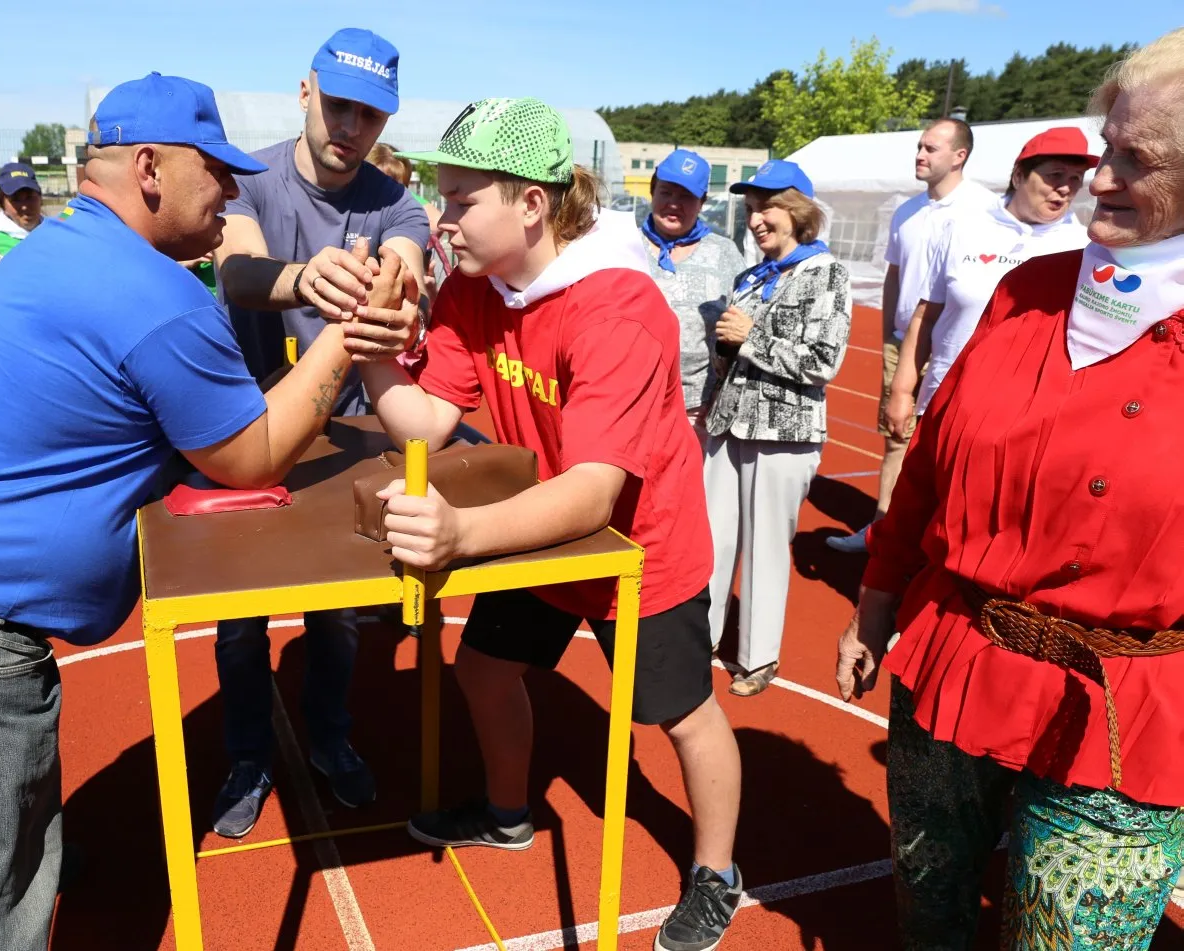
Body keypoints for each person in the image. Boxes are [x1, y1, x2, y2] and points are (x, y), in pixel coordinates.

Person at [0, 72, 419, 951]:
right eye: (213, 170)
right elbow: (250, 451)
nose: (231, 187)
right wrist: (345, 336)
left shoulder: (68, 247)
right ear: (149, 168)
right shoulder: (152, 292)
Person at [835, 28, 1184, 948]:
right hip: (954, 666)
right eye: (1104, 147)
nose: (1097, 180)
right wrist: (872, 603)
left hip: (1124, 712)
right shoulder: (1025, 291)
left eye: (1132, 160)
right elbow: (931, 468)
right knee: (930, 916)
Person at [369, 97, 744, 951]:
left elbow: (592, 493)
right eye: (442, 197)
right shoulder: (475, 287)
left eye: (462, 200)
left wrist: (460, 534)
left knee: (680, 713)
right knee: (486, 667)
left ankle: (717, 872)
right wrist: (367, 349)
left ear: (531, 203)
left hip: (639, 545)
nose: (442, 219)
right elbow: (427, 419)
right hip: (546, 525)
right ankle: (508, 814)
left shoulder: (615, 307)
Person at [211, 27, 430, 837]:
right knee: (238, 618)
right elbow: (236, 270)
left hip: (342, 437)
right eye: (337, 104)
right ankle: (247, 754)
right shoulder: (247, 178)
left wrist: (395, 282)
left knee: (339, 610)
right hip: (243, 424)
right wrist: (303, 277)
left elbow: (406, 255)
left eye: (368, 115)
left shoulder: (394, 200)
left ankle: (330, 735)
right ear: (306, 91)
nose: (349, 126)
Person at [704, 161, 851, 696]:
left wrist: (751, 338)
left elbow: (823, 361)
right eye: (750, 209)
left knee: (765, 547)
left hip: (784, 431)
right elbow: (735, 350)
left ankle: (757, 657)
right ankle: (702, 640)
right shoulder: (750, 277)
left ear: (797, 212)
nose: (756, 220)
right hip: (729, 424)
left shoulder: (826, 273)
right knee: (713, 543)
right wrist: (725, 350)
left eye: (766, 208)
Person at [827, 118, 993, 553]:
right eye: (919, 146)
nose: (920, 155)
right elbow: (894, 277)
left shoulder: (986, 211)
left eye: (931, 148)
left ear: (960, 156)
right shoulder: (906, 212)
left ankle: (942, 544)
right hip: (903, 342)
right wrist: (888, 334)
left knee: (950, 447)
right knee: (897, 437)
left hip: (958, 348)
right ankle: (883, 536)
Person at [884, 127, 1095, 437]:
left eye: (1076, 178)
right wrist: (902, 393)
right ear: (1019, 175)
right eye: (1055, 175)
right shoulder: (963, 227)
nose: (1065, 188)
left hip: (1017, 421)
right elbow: (924, 316)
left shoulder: (1083, 248)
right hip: (942, 402)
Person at [641, 148, 747, 429]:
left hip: (695, 408)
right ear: (653, 192)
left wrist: (719, 394)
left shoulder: (724, 253)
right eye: (666, 192)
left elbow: (738, 328)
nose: (674, 203)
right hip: (630, 399)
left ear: (702, 202)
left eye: (686, 196)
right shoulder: (625, 246)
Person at [0, 161, 46, 255]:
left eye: (30, 197)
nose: (24, 206)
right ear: (2, 205)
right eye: (16, 199)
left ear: (40, 198)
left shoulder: (54, 230)